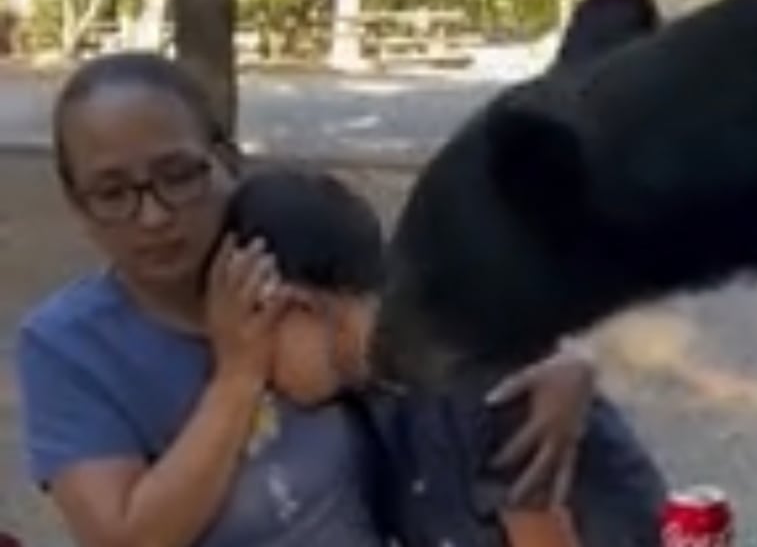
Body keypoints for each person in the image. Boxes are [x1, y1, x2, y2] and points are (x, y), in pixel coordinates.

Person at [12, 51, 613, 546]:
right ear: (78, 205)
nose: (154, 215)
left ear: (225, 162)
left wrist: (563, 361)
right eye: (113, 192)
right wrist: (237, 378)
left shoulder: (291, 242)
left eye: (177, 176)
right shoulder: (68, 346)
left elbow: (429, 314)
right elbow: (125, 538)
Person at [228, 165, 667, 546]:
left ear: (297, 305)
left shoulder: (479, 374)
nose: (256, 368)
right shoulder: (371, 393)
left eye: (254, 332)